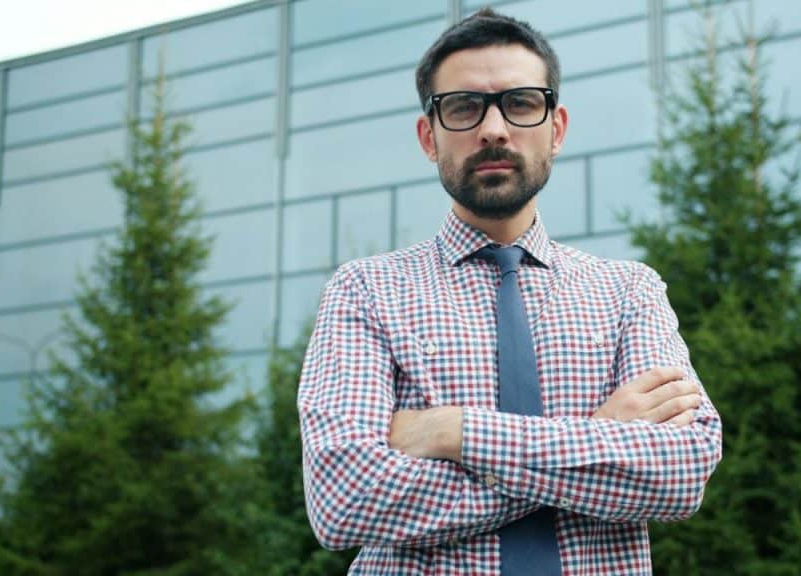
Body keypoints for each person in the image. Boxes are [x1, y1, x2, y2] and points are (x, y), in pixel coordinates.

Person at [297, 8, 722, 575]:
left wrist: (455, 431)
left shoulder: (629, 293)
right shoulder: (366, 292)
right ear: (428, 137)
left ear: (557, 129)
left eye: (520, 103)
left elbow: (682, 472)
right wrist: (596, 439)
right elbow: (344, 500)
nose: (493, 129)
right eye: (463, 107)